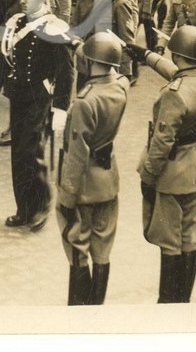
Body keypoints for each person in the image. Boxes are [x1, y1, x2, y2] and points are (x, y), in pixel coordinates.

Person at [127, 25, 196, 303]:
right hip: (193, 167)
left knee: (169, 241)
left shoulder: (174, 94)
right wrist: (145, 55)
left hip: (170, 173)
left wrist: (148, 175)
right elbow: (178, 73)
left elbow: (162, 142)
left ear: (176, 53)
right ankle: (183, 300)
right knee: (189, 237)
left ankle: (167, 302)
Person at [0, 0, 76, 232]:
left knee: (32, 151)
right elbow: (2, 59)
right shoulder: (15, 23)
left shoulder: (54, 27)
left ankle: (41, 206)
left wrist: (61, 108)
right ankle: (23, 208)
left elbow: (66, 71)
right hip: (18, 95)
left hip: (41, 98)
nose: (27, 1)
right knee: (18, 153)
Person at [55, 32, 129, 305]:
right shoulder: (121, 86)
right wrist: (78, 43)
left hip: (84, 184)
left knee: (77, 248)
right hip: (108, 180)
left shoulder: (85, 102)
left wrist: (67, 194)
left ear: (90, 61)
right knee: (102, 249)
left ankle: (79, 313)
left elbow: (76, 155)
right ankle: (97, 311)